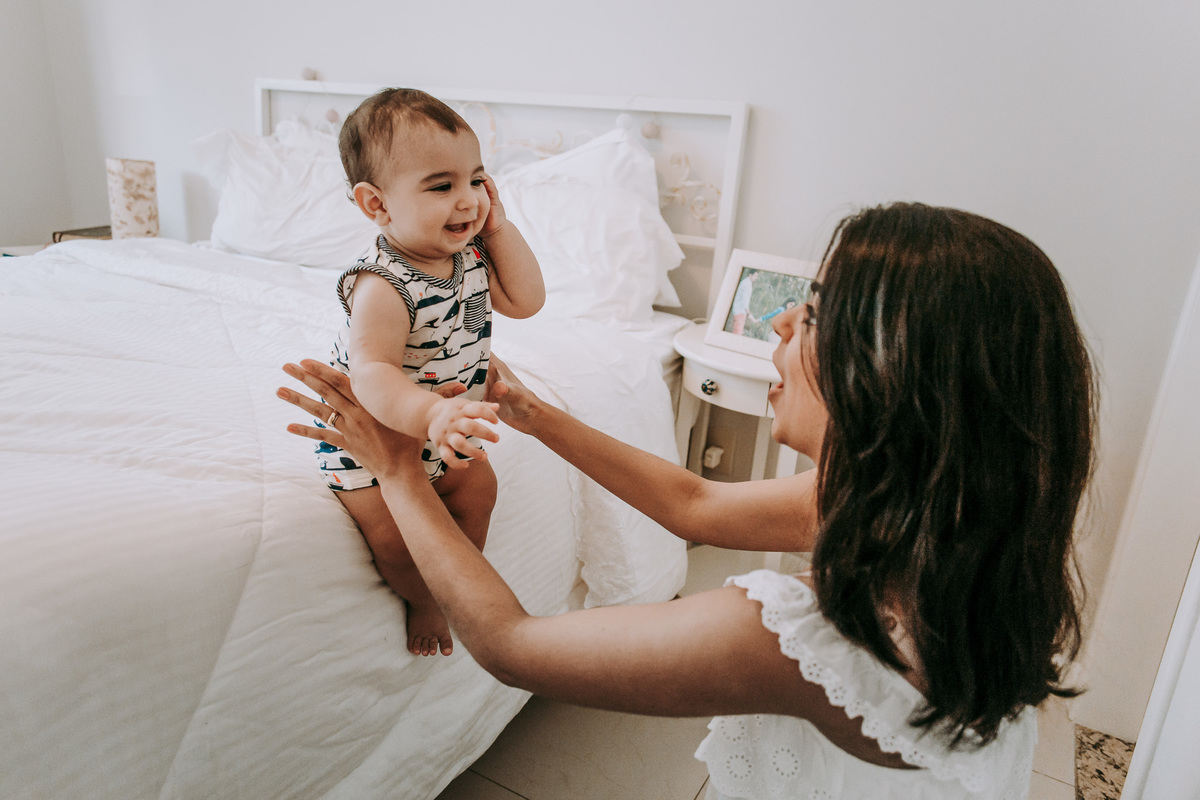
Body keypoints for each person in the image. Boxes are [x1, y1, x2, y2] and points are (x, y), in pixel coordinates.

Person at [279, 202, 1094, 798]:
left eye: (811, 315)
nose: (777, 325)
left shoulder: (797, 636)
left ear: (884, 377)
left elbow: (510, 645)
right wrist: (533, 415)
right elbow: (696, 503)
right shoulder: (935, 518)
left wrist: (397, 471)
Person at [315, 87, 544, 657]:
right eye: (442, 186)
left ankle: (459, 583)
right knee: (393, 540)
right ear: (377, 205)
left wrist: (498, 229)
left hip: (447, 429)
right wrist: (432, 411)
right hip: (375, 439)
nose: (467, 200)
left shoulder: (470, 256)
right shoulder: (382, 284)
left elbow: (527, 301)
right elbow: (372, 373)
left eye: (476, 179)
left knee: (479, 490)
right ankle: (424, 598)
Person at [727, 268, 758, 335]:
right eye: (755, 275)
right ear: (750, 275)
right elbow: (745, 301)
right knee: (738, 333)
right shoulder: (747, 284)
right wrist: (749, 314)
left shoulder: (744, 282)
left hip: (737, 311)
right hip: (740, 311)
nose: (756, 278)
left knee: (735, 331)